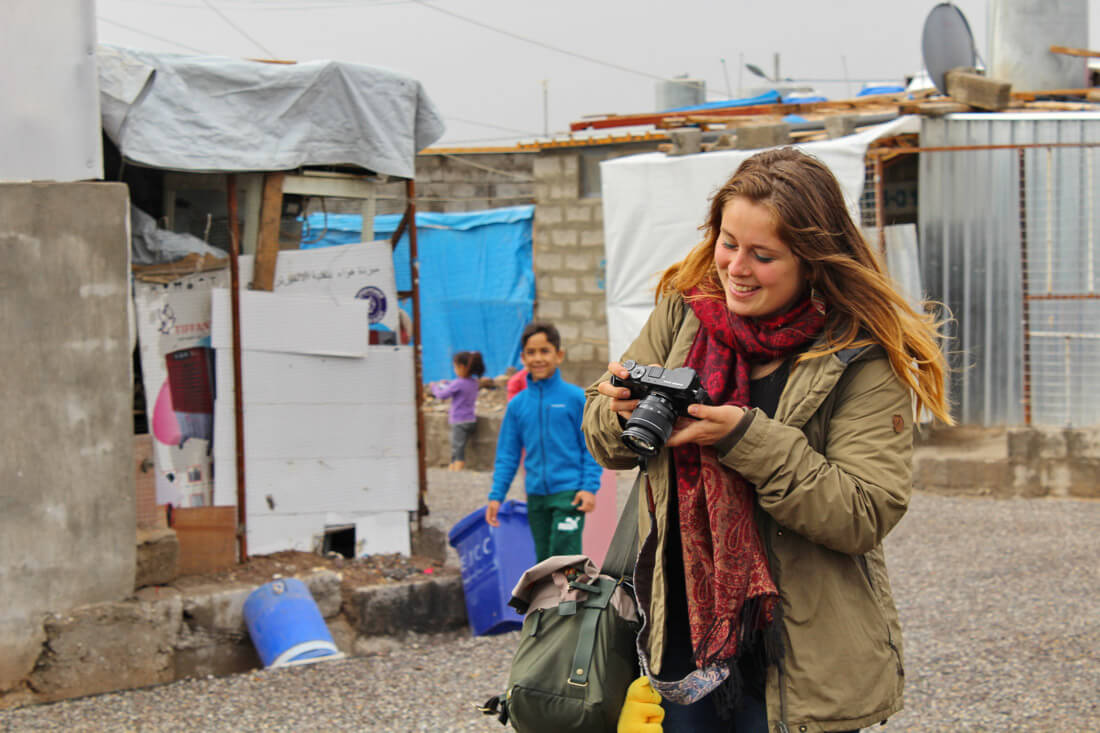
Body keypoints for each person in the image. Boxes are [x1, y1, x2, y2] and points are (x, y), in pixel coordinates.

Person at [584, 148, 953, 733]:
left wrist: (744, 438)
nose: (735, 267)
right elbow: (605, 438)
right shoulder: (686, 309)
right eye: (728, 242)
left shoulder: (859, 355)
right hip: (684, 642)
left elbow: (864, 511)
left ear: (811, 260)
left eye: (763, 255)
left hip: (800, 660)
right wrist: (621, 411)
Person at [487, 321, 603, 563]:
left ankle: (571, 602)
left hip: (569, 495)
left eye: (544, 351)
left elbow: (590, 447)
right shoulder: (517, 405)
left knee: (565, 558)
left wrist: (589, 487)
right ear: (522, 358)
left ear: (559, 355)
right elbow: (507, 454)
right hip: (536, 497)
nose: (538, 358)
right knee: (543, 561)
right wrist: (496, 496)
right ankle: (549, 603)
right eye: (531, 352)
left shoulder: (575, 398)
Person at [430, 350, 485, 471]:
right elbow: (460, 385)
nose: (454, 369)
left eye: (455, 366)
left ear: (461, 367)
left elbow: (442, 395)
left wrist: (434, 387)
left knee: (457, 450)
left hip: (459, 422)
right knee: (457, 448)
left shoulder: (458, 383)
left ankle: (457, 471)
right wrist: (448, 383)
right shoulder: (474, 383)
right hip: (471, 420)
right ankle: (452, 469)